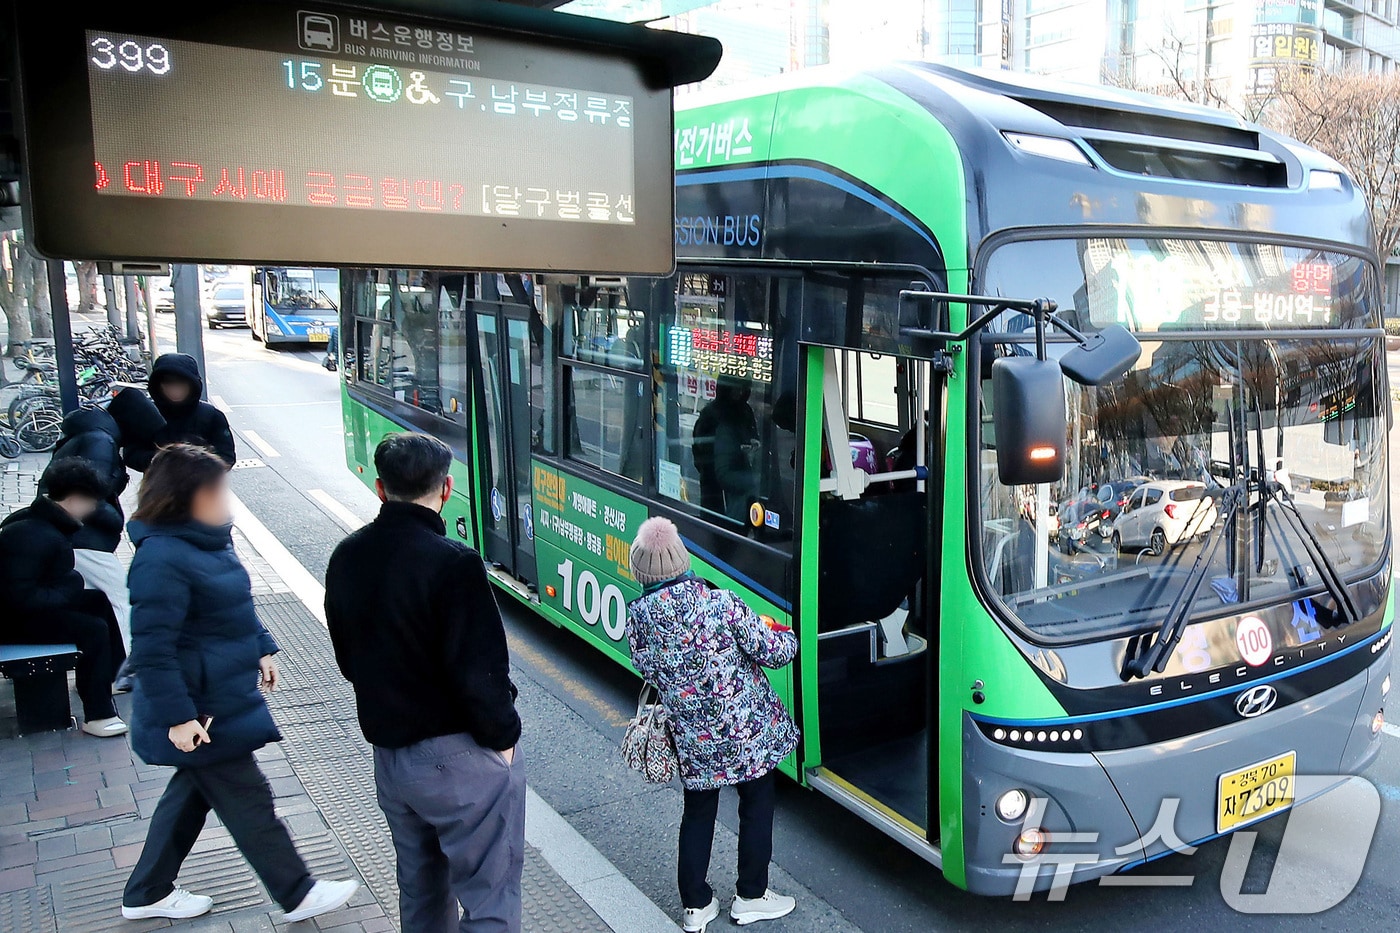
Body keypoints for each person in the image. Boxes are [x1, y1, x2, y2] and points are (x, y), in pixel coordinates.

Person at [121, 444, 357, 922]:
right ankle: (297, 892)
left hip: (217, 697)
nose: (225, 496)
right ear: (189, 496)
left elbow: (233, 605)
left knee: (192, 794)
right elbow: (153, 649)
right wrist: (179, 718)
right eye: (217, 488)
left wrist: (262, 645)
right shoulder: (161, 559)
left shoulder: (207, 540)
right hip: (201, 707)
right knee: (248, 798)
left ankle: (146, 891)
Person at [325, 433, 524, 933]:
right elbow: (480, 672)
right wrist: (503, 743)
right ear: (447, 488)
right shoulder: (453, 563)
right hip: (459, 759)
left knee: (420, 891)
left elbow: (349, 661)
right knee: (489, 896)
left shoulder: (347, 555)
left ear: (380, 488)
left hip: (392, 760)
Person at [625, 517, 799, 931]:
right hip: (746, 733)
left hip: (693, 739)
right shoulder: (719, 602)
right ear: (683, 561)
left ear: (641, 570)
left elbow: (645, 665)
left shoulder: (639, 617)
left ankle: (696, 906)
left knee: (698, 813)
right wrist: (786, 635)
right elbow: (774, 652)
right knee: (756, 805)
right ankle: (751, 896)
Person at [0, 459, 127, 737]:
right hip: (12, 621)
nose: (93, 509)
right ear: (74, 499)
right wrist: (71, 584)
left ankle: (115, 675)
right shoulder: (32, 535)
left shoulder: (39, 523)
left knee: (98, 602)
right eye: (91, 502)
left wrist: (69, 587)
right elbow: (19, 598)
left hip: (25, 610)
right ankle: (98, 714)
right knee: (92, 629)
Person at [43, 403, 134, 683]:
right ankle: (128, 672)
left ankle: (109, 670)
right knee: (123, 598)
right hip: (86, 541)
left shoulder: (75, 440)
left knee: (99, 601)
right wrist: (115, 520)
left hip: (74, 539)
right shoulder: (100, 441)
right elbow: (91, 495)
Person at [125, 354, 235, 470]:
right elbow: (132, 454)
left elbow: (226, 456)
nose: (175, 389)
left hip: (201, 484)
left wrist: (196, 463)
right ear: (158, 385)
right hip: (159, 484)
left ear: (192, 384)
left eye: (181, 383)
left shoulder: (211, 416)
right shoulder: (147, 415)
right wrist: (160, 460)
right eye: (168, 383)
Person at [692, 377, 761, 521]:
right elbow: (699, 451)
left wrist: (752, 446)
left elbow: (753, 435)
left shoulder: (745, 410)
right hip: (715, 485)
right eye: (738, 389)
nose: (742, 393)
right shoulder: (711, 415)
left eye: (745, 390)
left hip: (739, 484)